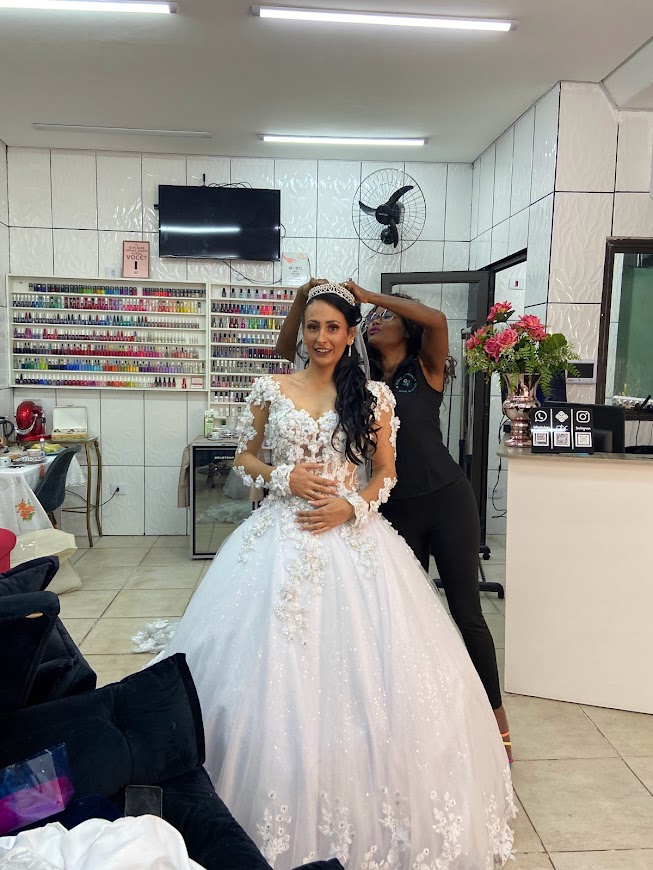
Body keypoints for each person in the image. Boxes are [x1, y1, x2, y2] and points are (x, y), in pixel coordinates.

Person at [151, 283, 515, 868]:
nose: (321, 338)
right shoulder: (271, 389)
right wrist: (283, 476)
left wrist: (353, 506)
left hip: (352, 537)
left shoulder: (373, 397)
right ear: (304, 331)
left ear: (350, 336)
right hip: (278, 537)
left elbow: (385, 473)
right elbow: (243, 458)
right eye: (313, 326)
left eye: (333, 328)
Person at [276, 279, 512, 762]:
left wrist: (370, 297)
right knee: (405, 618)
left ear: (407, 330)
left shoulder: (425, 370)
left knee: (467, 613)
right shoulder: (352, 377)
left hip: (447, 500)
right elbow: (287, 351)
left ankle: (499, 724)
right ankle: (412, 720)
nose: (377, 322)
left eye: (389, 318)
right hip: (393, 508)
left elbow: (437, 321)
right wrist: (303, 300)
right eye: (371, 319)